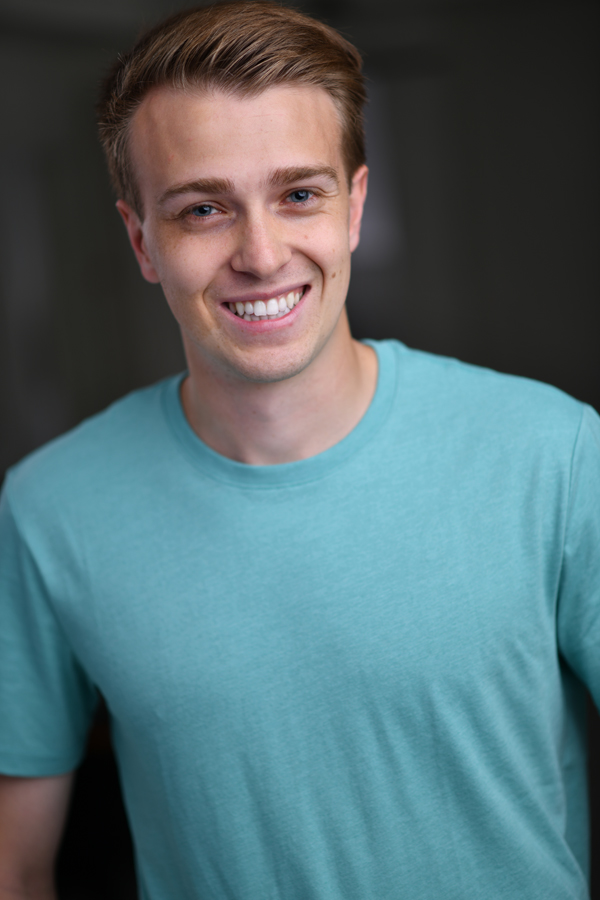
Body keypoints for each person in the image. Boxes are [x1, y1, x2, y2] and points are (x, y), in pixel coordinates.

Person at [0, 2, 599, 897]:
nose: (261, 253)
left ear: (354, 206)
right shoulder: (50, 510)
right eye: (204, 208)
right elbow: (14, 867)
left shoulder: (554, 452)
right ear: (141, 240)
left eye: (299, 196)